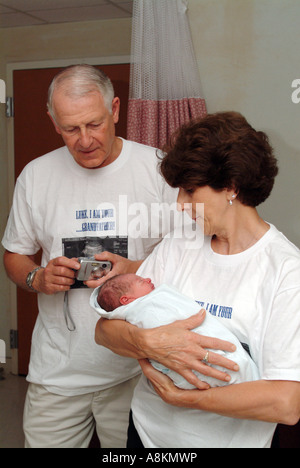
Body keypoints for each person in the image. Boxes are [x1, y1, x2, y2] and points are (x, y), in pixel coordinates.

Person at [2, 64, 192, 448]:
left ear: (116, 110)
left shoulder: (159, 170)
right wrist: (37, 278)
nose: (85, 140)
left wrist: (134, 269)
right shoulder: (36, 176)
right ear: (54, 122)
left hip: (137, 369)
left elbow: (192, 257)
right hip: (58, 373)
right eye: (71, 128)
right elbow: (14, 255)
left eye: (94, 124)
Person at [95, 111, 300, 448]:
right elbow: (104, 331)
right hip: (148, 436)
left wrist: (187, 399)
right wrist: (149, 343)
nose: (179, 205)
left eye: (190, 191)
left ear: (231, 186)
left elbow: (286, 403)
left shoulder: (285, 271)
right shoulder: (179, 244)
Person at [90, 273, 259, 390]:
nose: (148, 278)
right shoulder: (143, 309)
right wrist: (150, 342)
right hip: (155, 419)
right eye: (141, 281)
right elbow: (101, 332)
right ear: (127, 300)